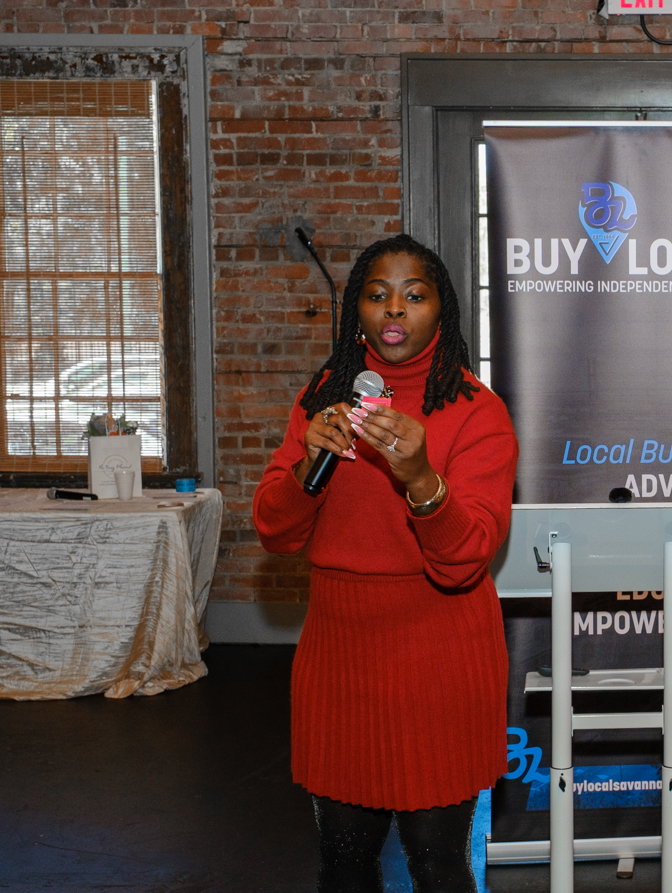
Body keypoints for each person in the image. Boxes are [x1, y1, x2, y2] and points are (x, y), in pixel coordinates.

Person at [252, 234, 518, 892]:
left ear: (441, 309)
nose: (394, 308)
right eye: (377, 295)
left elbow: (464, 561)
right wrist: (310, 465)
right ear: (357, 312)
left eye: (413, 295)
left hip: (440, 655)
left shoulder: (476, 411)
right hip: (341, 655)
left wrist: (421, 477)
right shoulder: (325, 395)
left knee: (437, 863)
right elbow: (276, 530)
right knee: (343, 863)